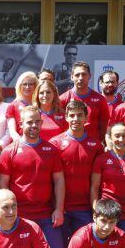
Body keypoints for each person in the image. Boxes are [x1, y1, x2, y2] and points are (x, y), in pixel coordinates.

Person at [0, 106, 66, 248]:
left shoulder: (51, 150)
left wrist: (58, 209)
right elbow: (3, 185)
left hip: (46, 214)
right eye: (30, 122)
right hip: (19, 215)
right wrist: (8, 213)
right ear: (21, 124)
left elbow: (59, 180)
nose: (34, 125)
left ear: (42, 123)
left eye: (37, 122)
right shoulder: (9, 151)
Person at [49, 100, 102, 240]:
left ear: (86, 118)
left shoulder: (96, 145)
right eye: (72, 115)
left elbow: (98, 180)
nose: (75, 119)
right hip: (62, 207)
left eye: (79, 115)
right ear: (66, 117)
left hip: (85, 207)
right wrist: (56, 206)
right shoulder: (55, 143)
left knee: (83, 246)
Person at [91, 123, 125, 248]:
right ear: (110, 138)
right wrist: (97, 213)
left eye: (124, 136)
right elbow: (94, 187)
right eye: (117, 136)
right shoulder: (101, 159)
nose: (121, 140)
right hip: (106, 214)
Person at [59, 61, 109, 143]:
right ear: (72, 77)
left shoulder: (100, 99)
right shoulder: (62, 99)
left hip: (93, 146)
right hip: (69, 144)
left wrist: (100, 143)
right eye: (77, 75)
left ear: (90, 76)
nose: (80, 78)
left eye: (84, 74)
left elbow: (104, 125)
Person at [4, 71, 37, 142]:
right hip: (20, 144)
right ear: (20, 86)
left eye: (30, 84)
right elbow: (12, 132)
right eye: (24, 84)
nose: (27, 87)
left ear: (35, 86)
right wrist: (23, 144)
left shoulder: (39, 104)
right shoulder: (12, 105)